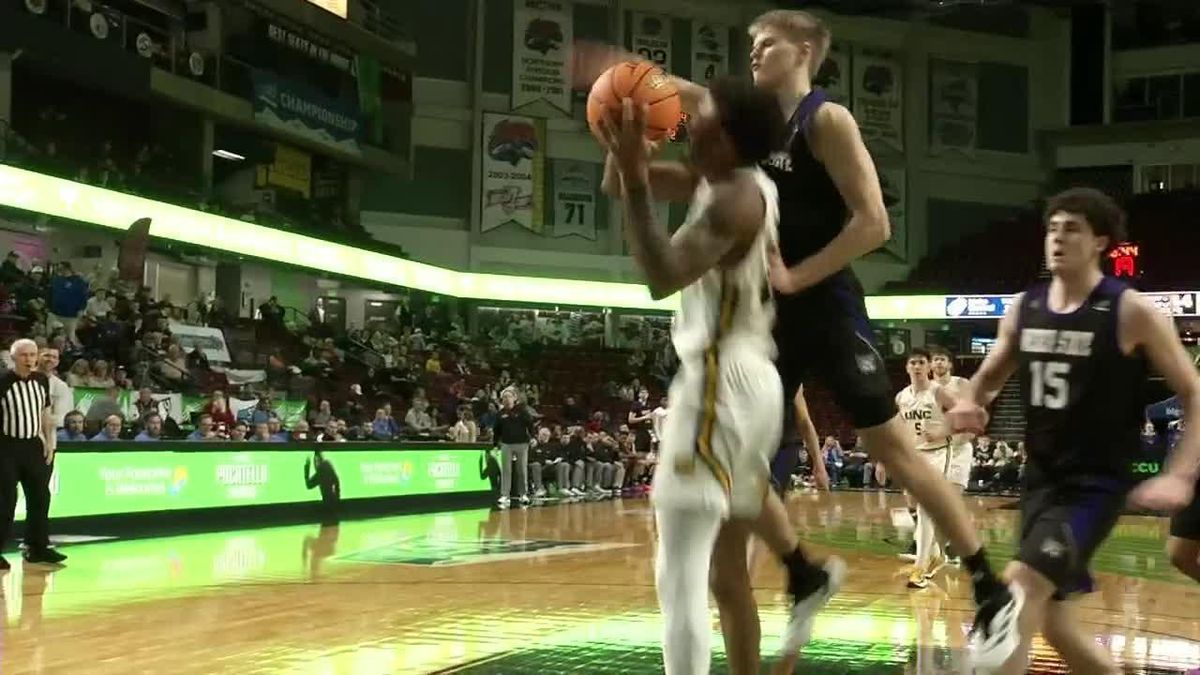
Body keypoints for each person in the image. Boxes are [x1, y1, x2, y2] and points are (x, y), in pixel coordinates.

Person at [578, 9, 1008, 662]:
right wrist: (609, 69)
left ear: (805, 51)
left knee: (891, 447)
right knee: (731, 532)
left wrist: (799, 273)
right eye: (750, 43)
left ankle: (985, 581)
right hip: (762, 325)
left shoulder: (824, 120)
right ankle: (799, 576)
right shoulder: (734, 127)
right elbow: (658, 88)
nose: (754, 52)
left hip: (823, 301)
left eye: (767, 43)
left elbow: (874, 223)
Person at [597, 77, 842, 674]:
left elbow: (662, 273)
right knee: (734, 517)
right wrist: (621, 143)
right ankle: (802, 571)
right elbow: (616, 182)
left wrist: (634, 178)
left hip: (718, 384)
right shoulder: (725, 179)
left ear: (729, 139)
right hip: (750, 378)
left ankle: (800, 572)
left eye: (702, 114)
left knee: (678, 572)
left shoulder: (735, 199)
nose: (687, 118)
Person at [946, 187, 1200, 672]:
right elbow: (993, 372)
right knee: (1054, 623)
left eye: (1073, 229)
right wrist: (971, 401)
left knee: (1018, 594)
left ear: (1101, 241)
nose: (1058, 238)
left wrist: (1180, 475)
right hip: (1040, 479)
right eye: (1052, 228)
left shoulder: (1130, 310)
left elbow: (1194, 391)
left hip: (1093, 486)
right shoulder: (1025, 307)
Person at [894, 347, 957, 590]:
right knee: (919, 509)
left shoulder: (938, 392)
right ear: (907, 368)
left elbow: (962, 416)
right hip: (914, 455)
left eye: (921, 362)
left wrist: (941, 431)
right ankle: (933, 554)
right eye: (913, 362)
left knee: (925, 510)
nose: (918, 366)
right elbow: (898, 428)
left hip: (939, 453)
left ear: (929, 367)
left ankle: (920, 567)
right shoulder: (902, 397)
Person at [0, 339, 65, 567]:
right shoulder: (3, 381)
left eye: (32, 354)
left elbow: (46, 414)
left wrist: (48, 442)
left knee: (40, 497)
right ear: (13, 357)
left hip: (33, 446)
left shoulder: (41, 381)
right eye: (24, 355)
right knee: (5, 501)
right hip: (6, 446)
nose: (29, 359)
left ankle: (36, 547)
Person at [928, 345, 975, 563]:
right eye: (935, 359)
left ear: (949, 364)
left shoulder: (961, 384)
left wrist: (964, 435)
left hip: (958, 448)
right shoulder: (924, 388)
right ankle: (937, 547)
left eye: (942, 359)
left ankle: (955, 546)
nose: (938, 363)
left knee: (953, 500)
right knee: (934, 503)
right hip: (934, 450)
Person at [492, 389, 533, 508]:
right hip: (506, 444)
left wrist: (533, 437)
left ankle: (523, 494)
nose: (506, 399)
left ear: (514, 398)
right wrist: (495, 444)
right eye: (504, 397)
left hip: (522, 443)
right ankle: (505, 495)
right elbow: (496, 430)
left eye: (508, 397)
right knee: (506, 470)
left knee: (521, 470)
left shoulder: (522, 411)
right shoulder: (500, 414)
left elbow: (530, 424)